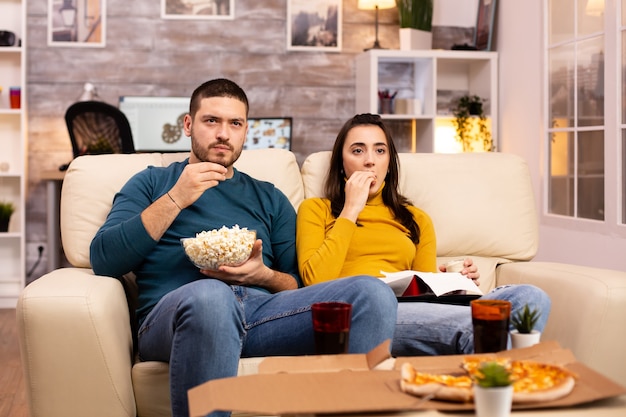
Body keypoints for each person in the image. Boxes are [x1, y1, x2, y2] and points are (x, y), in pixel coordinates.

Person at [90, 81, 397, 417]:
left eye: (234, 124)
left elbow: (300, 283)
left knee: (371, 292)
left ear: (245, 131)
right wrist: (177, 197)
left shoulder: (270, 197)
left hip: (263, 317)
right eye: (212, 121)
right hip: (178, 315)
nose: (224, 134)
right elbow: (105, 258)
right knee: (211, 297)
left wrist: (265, 275)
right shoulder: (152, 182)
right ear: (188, 125)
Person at [296, 113, 551, 357]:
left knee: (530, 298)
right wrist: (351, 209)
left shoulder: (416, 219)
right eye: (358, 150)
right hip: (367, 313)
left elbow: (426, 292)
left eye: (380, 150)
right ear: (342, 165)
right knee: (479, 327)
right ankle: (508, 381)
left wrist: (456, 284)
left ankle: (500, 375)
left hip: (414, 308)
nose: (370, 160)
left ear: (389, 163)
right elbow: (316, 282)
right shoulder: (317, 210)